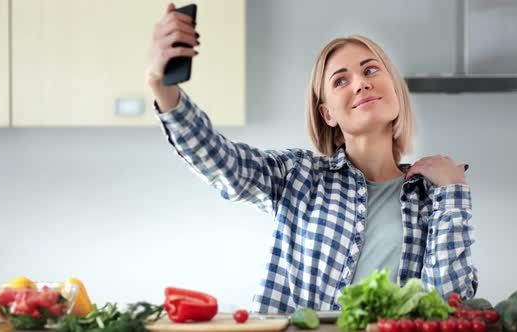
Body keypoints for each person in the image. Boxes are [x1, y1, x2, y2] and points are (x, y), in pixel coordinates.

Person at [145, 4, 478, 314]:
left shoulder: (431, 196)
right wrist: (161, 86)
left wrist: (452, 191)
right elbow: (222, 163)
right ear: (327, 113)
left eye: (371, 70)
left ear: (394, 89)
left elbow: (448, 305)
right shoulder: (297, 175)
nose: (361, 83)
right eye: (341, 80)